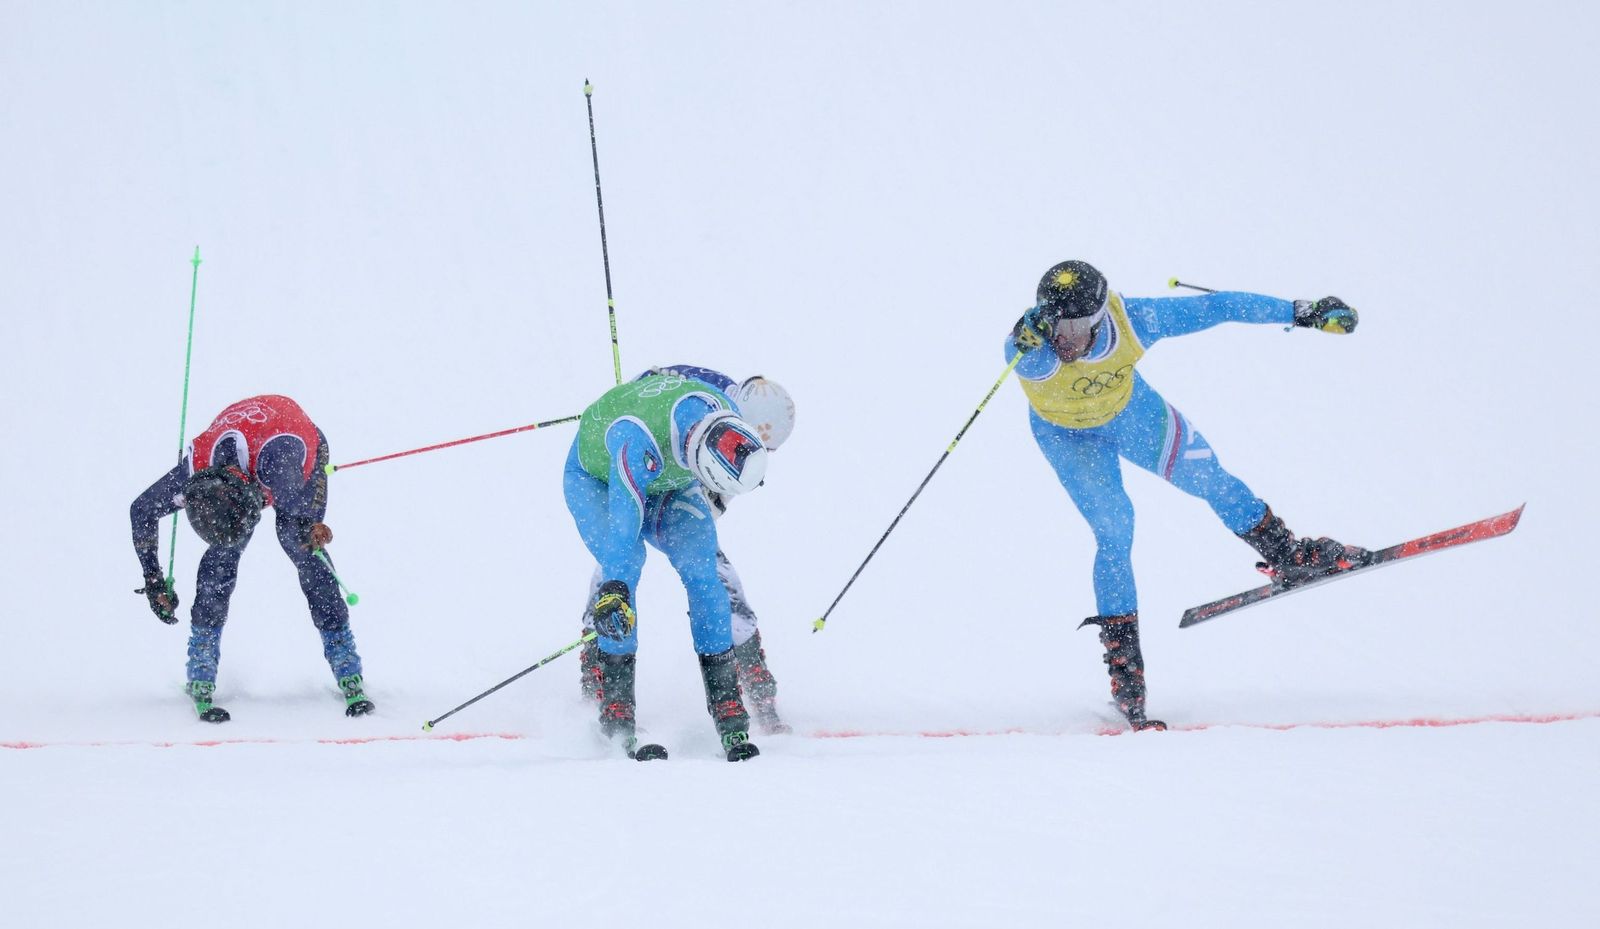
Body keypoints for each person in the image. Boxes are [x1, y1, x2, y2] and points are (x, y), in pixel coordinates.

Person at [1006, 261, 1367, 731]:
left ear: (1099, 319)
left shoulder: (1133, 321)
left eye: (1077, 326)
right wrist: (1024, 334)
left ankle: (1287, 553)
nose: (1064, 337)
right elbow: (1013, 347)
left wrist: (1303, 312)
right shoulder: (1031, 349)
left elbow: (1216, 307)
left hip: (1129, 414)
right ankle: (1126, 676)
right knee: (1116, 530)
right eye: (1055, 323)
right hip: (1069, 438)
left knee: (1212, 478)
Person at [576, 365, 796, 735]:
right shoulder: (707, 393)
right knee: (618, 555)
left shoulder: (733, 436)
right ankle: (596, 660)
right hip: (644, 464)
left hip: (680, 490)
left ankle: (755, 683)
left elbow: (715, 499)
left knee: (711, 571)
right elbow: (652, 382)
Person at [130, 395, 373, 722]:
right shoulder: (194, 469)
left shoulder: (282, 469)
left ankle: (346, 662)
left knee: (298, 540)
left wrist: (316, 527)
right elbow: (141, 510)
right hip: (244, 463)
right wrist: (153, 579)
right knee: (222, 558)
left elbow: (306, 520)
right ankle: (201, 665)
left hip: (293, 442)